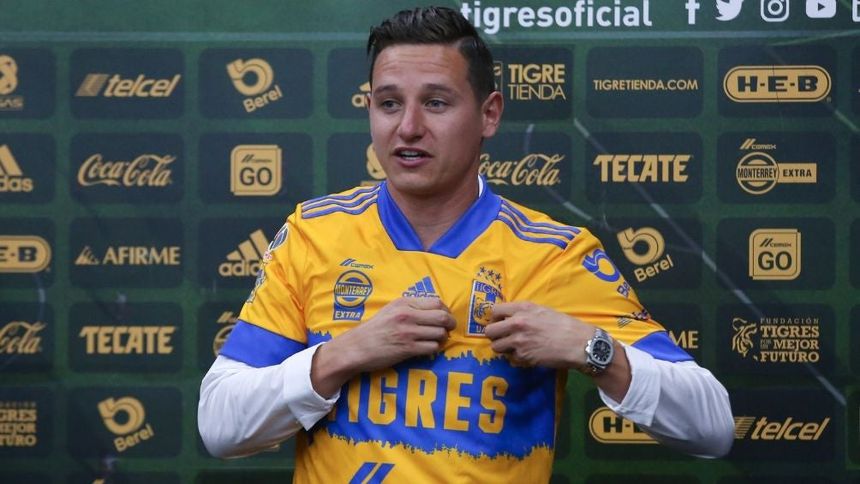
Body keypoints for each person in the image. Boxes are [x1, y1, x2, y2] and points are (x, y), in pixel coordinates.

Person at [198, 6, 734, 482]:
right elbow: (220, 425)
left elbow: (712, 428)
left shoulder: (551, 254)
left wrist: (594, 350)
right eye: (389, 103)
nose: (408, 127)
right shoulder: (314, 233)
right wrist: (344, 354)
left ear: (489, 114)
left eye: (436, 103)